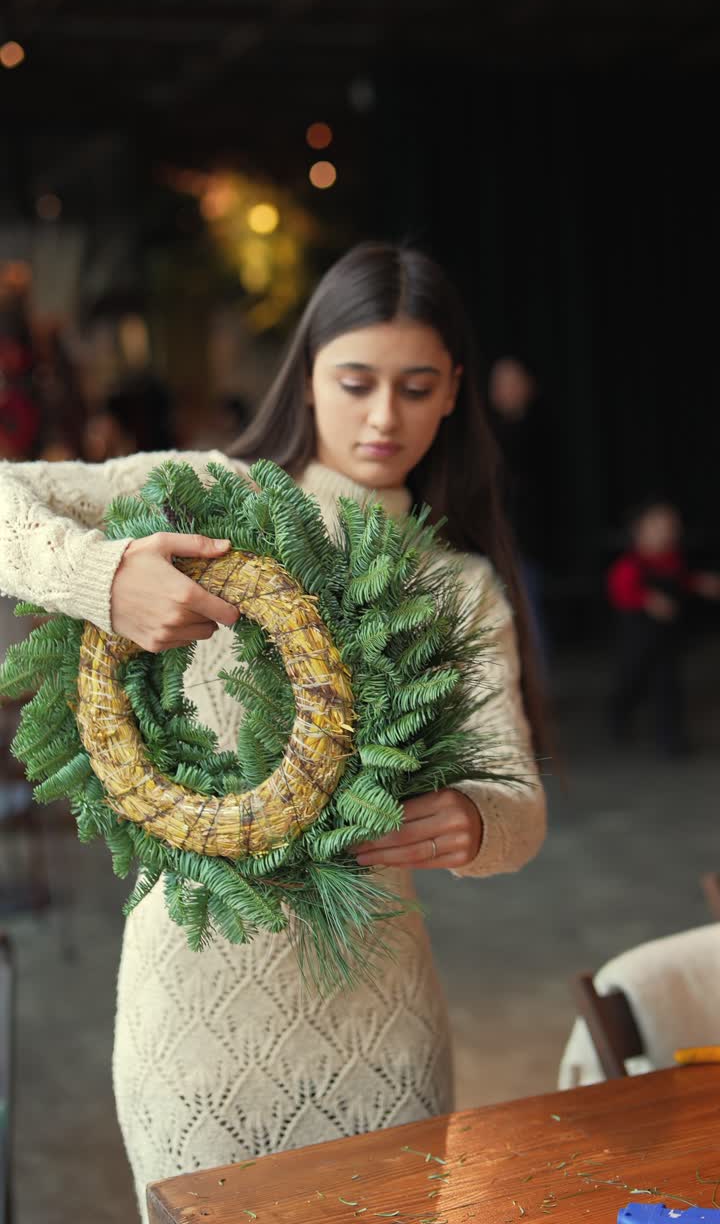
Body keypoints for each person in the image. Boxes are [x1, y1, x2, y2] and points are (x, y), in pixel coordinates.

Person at [0, 242, 546, 1220]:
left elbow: (518, 793)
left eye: (417, 387)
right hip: (195, 1028)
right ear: (307, 374)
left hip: (382, 1032)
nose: (385, 417)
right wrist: (103, 575)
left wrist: (476, 818)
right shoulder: (210, 499)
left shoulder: (458, 584)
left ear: (455, 391)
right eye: (357, 381)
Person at [607, 499, 720, 755]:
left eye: (671, 527)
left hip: (666, 639)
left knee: (667, 685)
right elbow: (621, 592)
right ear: (638, 530)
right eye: (658, 527)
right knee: (632, 680)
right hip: (638, 638)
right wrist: (647, 599)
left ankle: (671, 740)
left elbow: (682, 581)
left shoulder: (672, 561)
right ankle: (619, 715)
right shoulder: (629, 565)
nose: (666, 533)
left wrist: (700, 583)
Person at [487, 356, 550, 679]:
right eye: (499, 383)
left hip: (525, 541)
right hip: (487, 539)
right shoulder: (483, 436)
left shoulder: (542, 433)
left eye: (513, 382)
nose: (505, 390)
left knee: (529, 613)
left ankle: (536, 692)